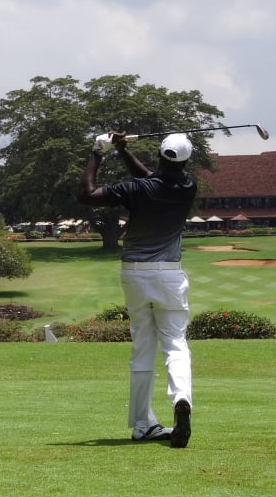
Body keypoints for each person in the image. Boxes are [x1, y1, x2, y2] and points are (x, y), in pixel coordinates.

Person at [76, 131, 195, 448]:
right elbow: (153, 179)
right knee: (175, 344)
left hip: (135, 275)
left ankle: (143, 424)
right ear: (185, 161)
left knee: (143, 345)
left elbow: (87, 194)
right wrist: (122, 150)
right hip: (170, 275)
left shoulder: (136, 189)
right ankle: (181, 398)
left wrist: (98, 151)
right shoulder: (187, 186)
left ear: (160, 154)